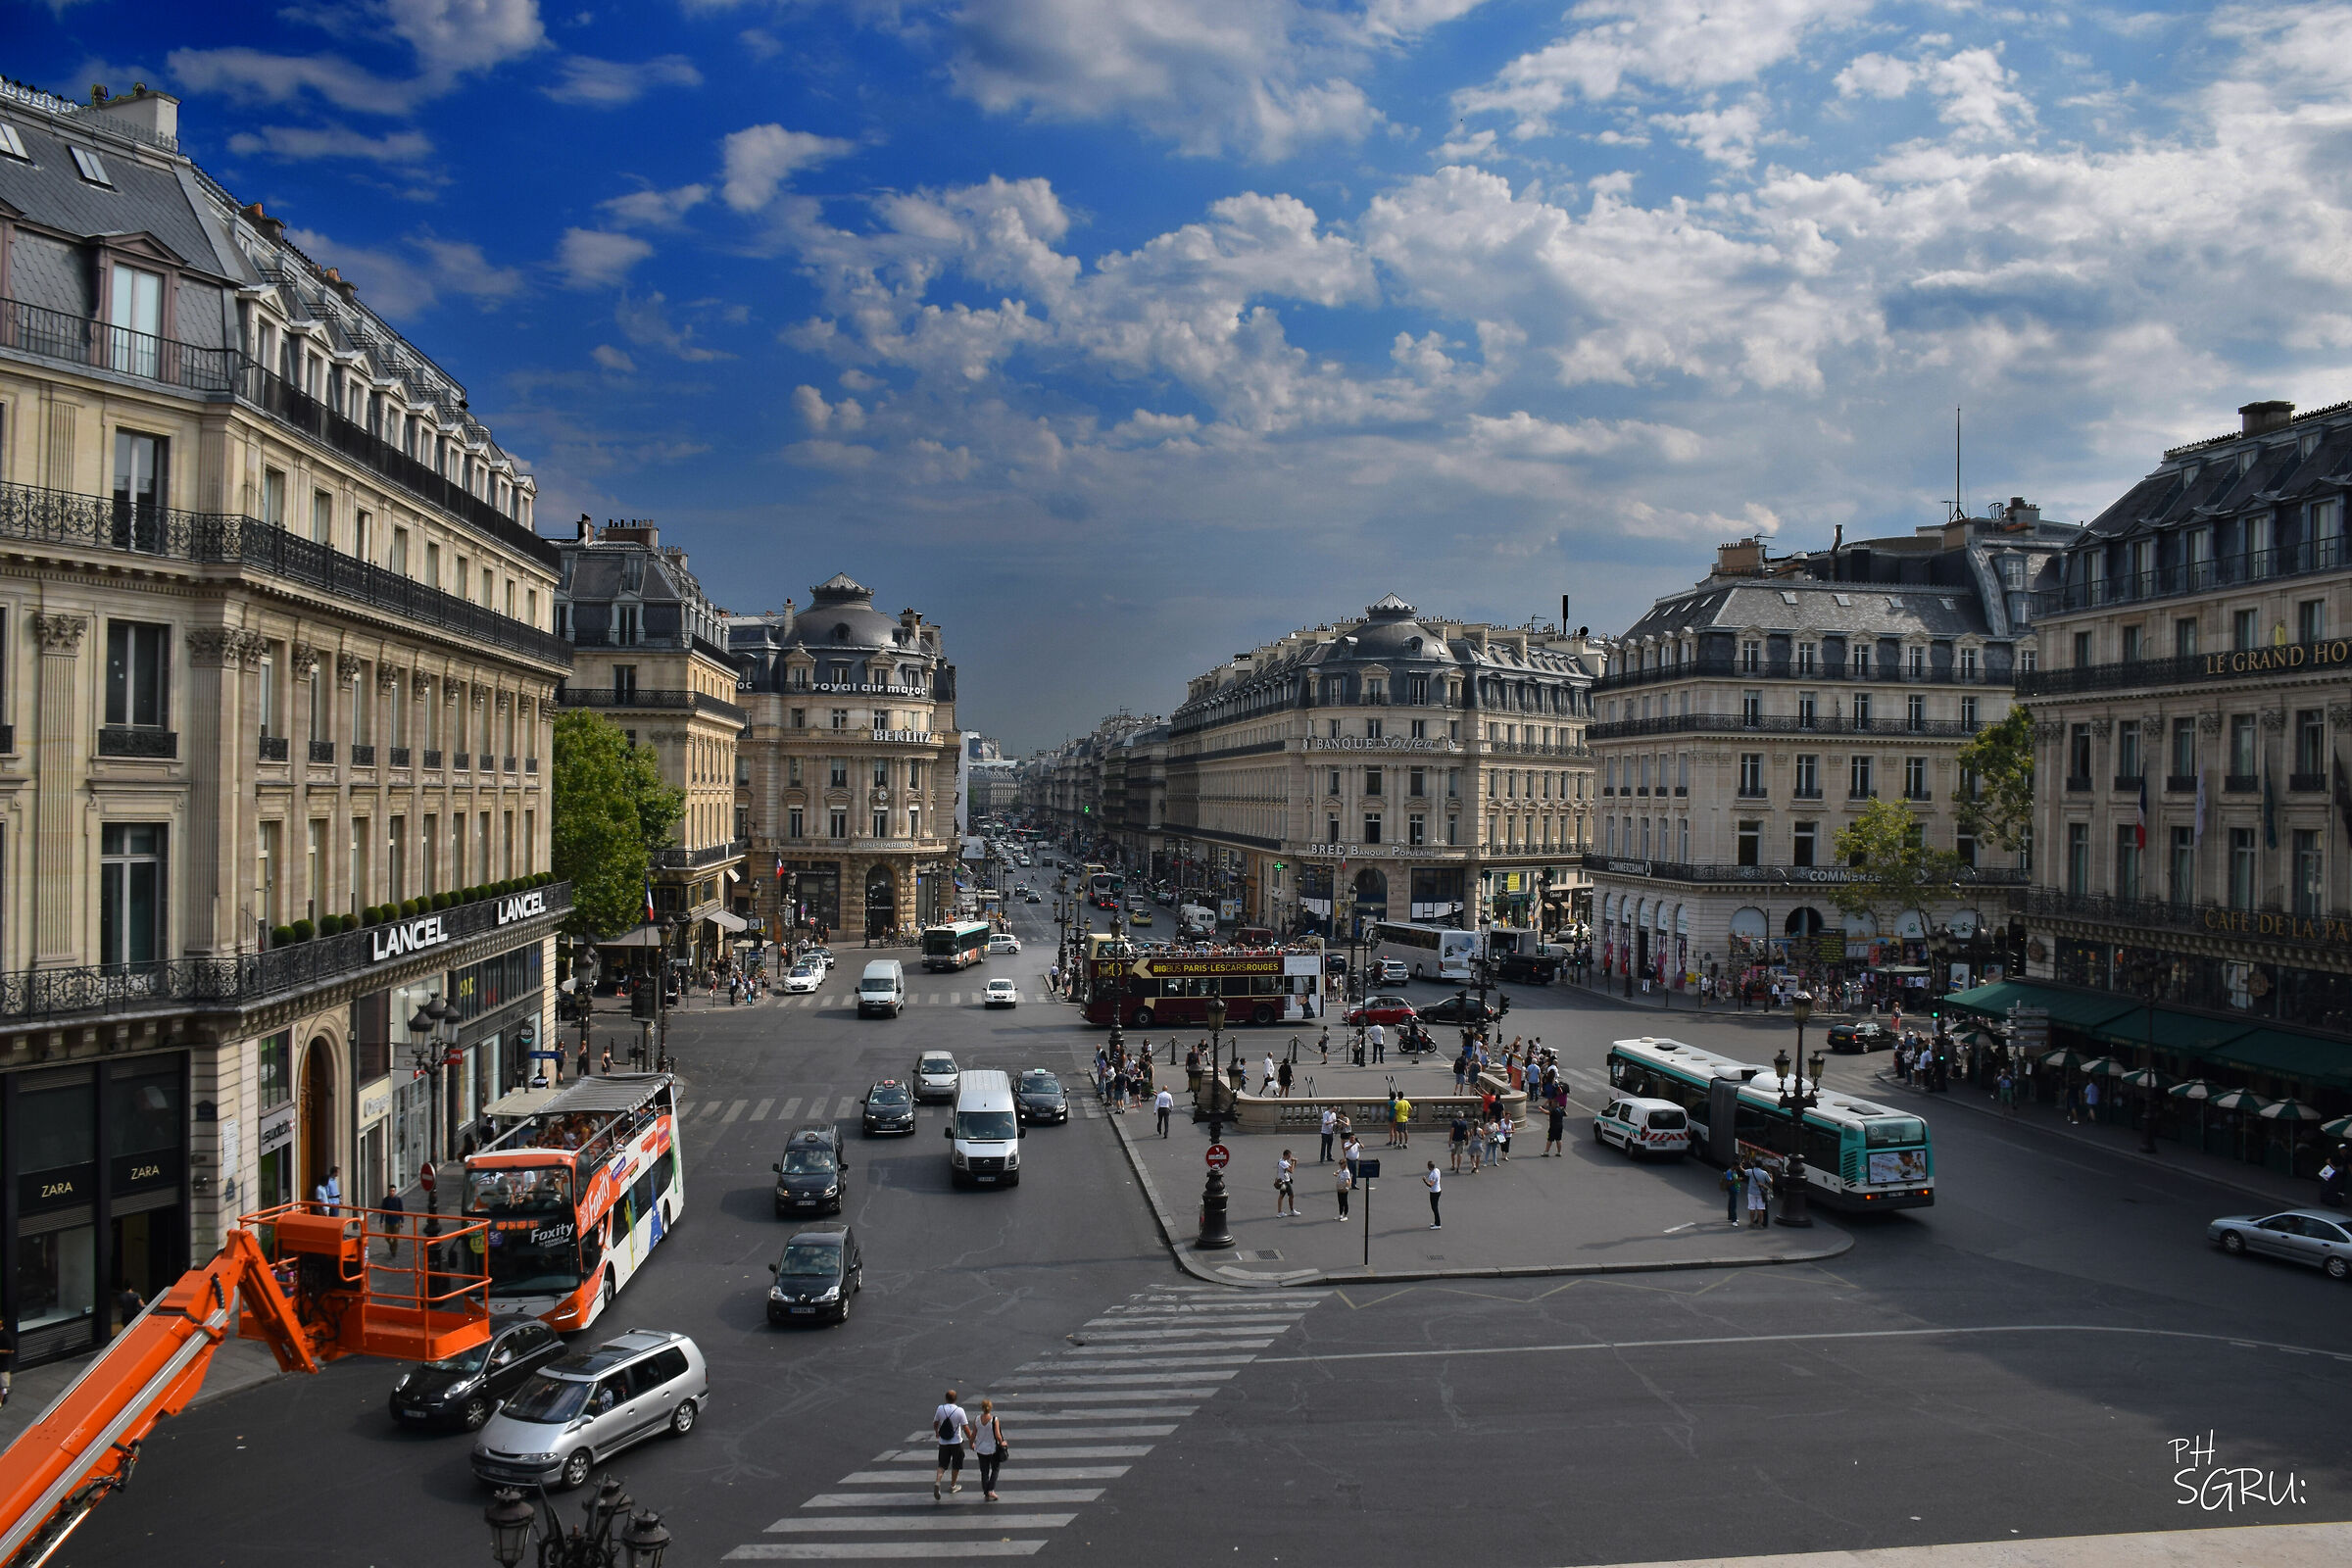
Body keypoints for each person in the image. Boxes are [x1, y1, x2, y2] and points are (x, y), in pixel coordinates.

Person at [934, 1390, 971, 1499]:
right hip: (956, 1442)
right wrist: (972, 1440)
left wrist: (937, 1432)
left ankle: (937, 1481)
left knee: (942, 1464)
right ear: (955, 1399)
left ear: (946, 1398)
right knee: (956, 1464)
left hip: (943, 1442)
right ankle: (953, 1485)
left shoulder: (940, 1408)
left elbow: (935, 1423)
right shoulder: (960, 1411)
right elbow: (965, 1428)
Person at [972, 1397, 1008, 1501]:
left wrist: (971, 1444)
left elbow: (973, 1434)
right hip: (992, 1449)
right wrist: (1002, 1442)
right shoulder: (994, 1420)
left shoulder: (977, 1419)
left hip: (980, 1449)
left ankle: (986, 1491)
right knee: (995, 1469)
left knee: (984, 1471)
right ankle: (990, 1489)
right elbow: (998, 1435)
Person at [380, 1184, 407, 1258]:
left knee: (395, 1238)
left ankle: (393, 1251)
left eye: (393, 1191)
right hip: (388, 1221)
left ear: (395, 1192)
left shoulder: (398, 1200)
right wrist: (381, 1221)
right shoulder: (386, 1200)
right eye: (390, 1191)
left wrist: (402, 1221)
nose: (392, 1192)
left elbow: (401, 1211)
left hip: (396, 1221)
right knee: (387, 1237)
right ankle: (392, 1246)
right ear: (388, 1191)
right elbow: (383, 1211)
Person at [1745, 1161, 1773, 1228]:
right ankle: (1760, 1224)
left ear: (1755, 1164)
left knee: (1752, 1208)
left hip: (1751, 1192)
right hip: (1761, 1193)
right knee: (1760, 1209)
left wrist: (1740, 1166)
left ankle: (1751, 1223)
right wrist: (1772, 1177)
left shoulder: (1751, 1171)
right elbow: (1770, 1182)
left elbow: (1744, 1171)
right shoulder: (1764, 1173)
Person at [1276, 1150, 1298, 1216]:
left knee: (1281, 1196)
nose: (1290, 1157)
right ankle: (1291, 1211)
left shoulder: (1284, 1161)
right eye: (1289, 1156)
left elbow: (1292, 1168)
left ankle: (1280, 1212)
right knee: (1291, 1195)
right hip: (1285, 1182)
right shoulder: (1282, 1162)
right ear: (1285, 1155)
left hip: (1284, 1181)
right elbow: (1291, 1171)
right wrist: (1293, 1162)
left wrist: (1294, 1162)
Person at [1423, 1160, 1443, 1229]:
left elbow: (1431, 1185)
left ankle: (1438, 1224)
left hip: (1434, 1193)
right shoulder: (1437, 1170)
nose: (1427, 1167)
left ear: (1429, 1167)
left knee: (1434, 1208)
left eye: (1427, 1166)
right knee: (1434, 1207)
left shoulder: (1432, 1175)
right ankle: (1436, 1222)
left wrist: (1425, 1181)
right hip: (1438, 1190)